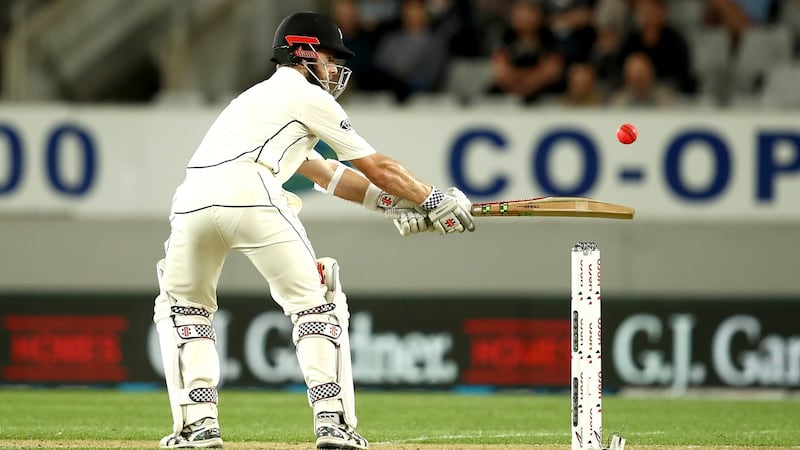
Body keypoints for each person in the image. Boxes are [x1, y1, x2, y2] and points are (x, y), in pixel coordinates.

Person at [152, 10, 475, 450]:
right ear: (302, 52)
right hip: (251, 191)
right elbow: (377, 166)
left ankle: (198, 426)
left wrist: (396, 204)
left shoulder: (251, 102)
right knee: (315, 305)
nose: (334, 67)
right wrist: (433, 200)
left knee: (185, 311)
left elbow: (326, 174)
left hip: (190, 200)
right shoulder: (308, 96)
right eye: (328, 56)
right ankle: (332, 422)